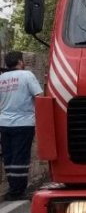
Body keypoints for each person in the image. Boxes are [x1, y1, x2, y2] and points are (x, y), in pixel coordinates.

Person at [0, 51, 43, 201]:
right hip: (23, 122)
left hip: (4, 124)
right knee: (21, 157)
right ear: (20, 61)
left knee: (9, 157)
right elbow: (39, 97)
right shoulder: (27, 76)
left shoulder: (1, 78)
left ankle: (13, 188)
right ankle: (18, 191)